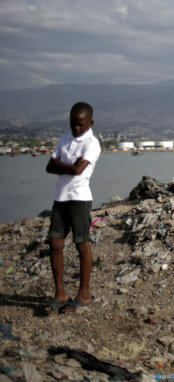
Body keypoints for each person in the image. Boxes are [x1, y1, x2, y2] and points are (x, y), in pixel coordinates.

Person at [44, 102, 101, 314]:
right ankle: (61, 294)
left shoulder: (92, 144)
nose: (76, 128)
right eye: (73, 124)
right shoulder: (63, 139)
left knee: (81, 243)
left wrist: (63, 167)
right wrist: (69, 167)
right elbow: (49, 166)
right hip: (60, 198)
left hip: (79, 198)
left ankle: (84, 294)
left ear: (90, 123)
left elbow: (79, 171)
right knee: (55, 242)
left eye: (80, 125)